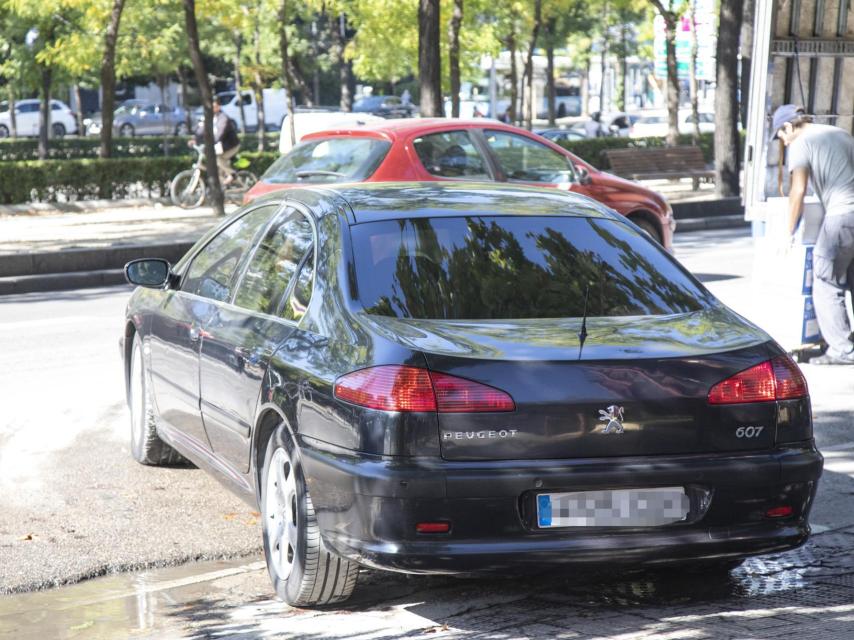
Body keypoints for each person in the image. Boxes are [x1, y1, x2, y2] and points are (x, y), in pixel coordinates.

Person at [774, 104, 854, 364]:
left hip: (842, 215)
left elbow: (798, 190)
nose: (783, 142)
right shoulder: (840, 133)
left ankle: (842, 350)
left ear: (788, 126)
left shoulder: (800, 143)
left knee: (825, 278)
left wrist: (787, 233)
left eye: (780, 136)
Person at [192, 97, 240, 185]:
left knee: (218, 159)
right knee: (216, 164)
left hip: (231, 146)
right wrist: (196, 139)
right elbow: (201, 130)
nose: (212, 109)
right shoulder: (210, 117)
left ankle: (232, 174)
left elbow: (219, 134)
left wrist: (210, 143)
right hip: (220, 146)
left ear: (219, 107)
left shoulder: (223, 118)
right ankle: (223, 182)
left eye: (214, 106)